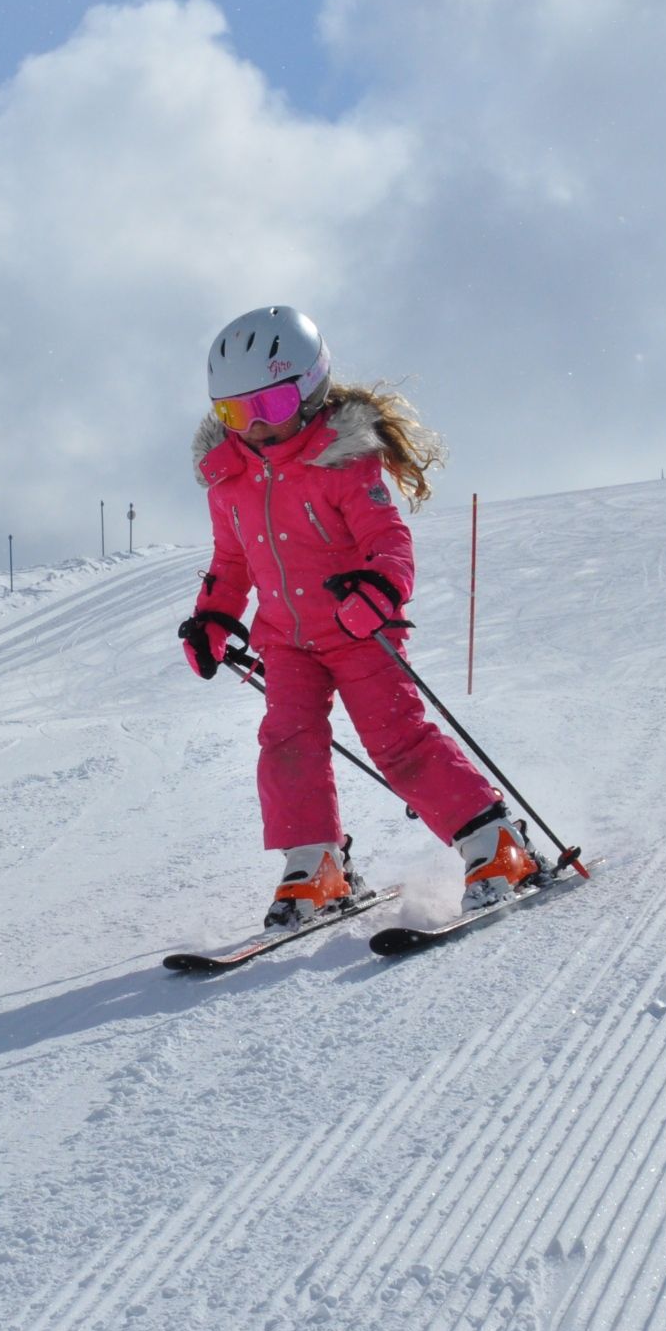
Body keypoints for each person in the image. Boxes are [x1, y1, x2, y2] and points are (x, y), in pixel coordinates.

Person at [178, 305, 545, 928]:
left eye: (266, 408)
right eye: (235, 414)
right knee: (287, 746)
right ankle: (316, 864)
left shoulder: (344, 461)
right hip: (287, 643)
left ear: (310, 388)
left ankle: (495, 843)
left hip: (357, 630)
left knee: (397, 741)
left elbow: (388, 539)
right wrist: (212, 617)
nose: (255, 428)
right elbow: (232, 559)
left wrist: (379, 589)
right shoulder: (229, 480)